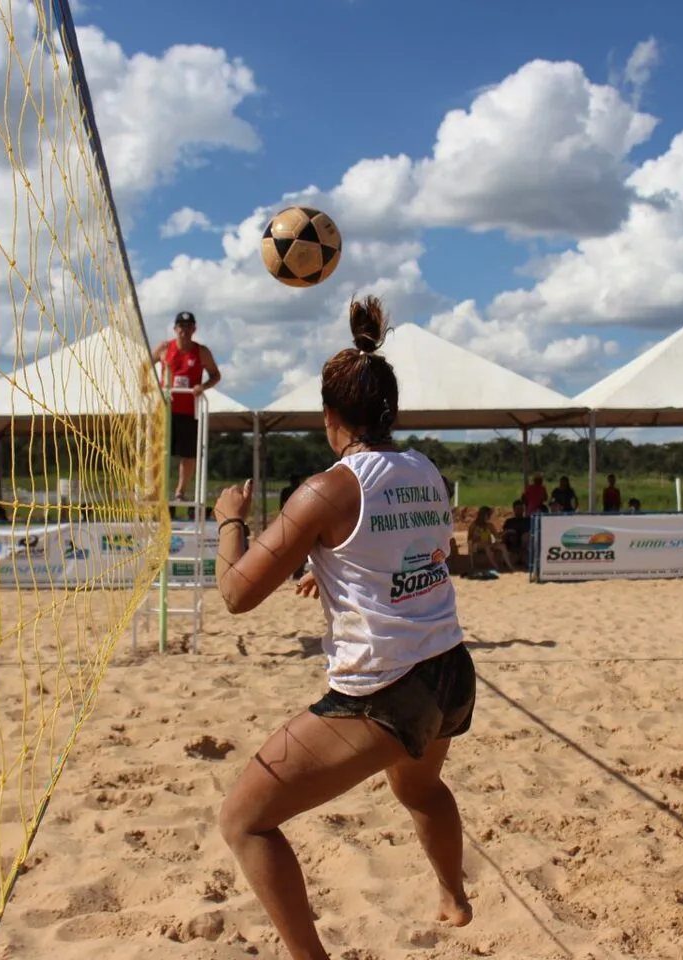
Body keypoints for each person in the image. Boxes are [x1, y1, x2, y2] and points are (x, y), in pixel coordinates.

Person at [210, 295, 475, 959]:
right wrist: (327, 569)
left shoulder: (328, 488)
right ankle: (453, 895)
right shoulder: (425, 470)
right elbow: (421, 554)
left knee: (244, 821)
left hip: (386, 690)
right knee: (418, 785)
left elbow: (237, 593)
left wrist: (228, 518)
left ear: (332, 419)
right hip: (451, 671)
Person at [152, 310, 222, 507]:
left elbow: (216, 375)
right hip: (166, 408)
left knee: (189, 454)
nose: (184, 330)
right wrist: (149, 387)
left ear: (194, 329)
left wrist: (203, 386)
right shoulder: (165, 348)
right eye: (181, 326)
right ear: (175, 329)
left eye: (189, 326)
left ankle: (180, 491)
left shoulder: (201, 352)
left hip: (189, 409)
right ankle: (155, 489)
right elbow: (145, 366)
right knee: (158, 450)